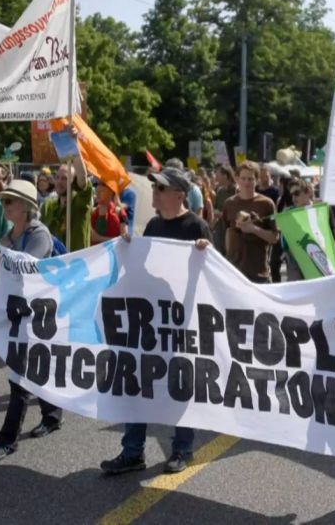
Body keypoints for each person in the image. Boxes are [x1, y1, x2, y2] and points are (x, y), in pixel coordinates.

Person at [101, 167, 212, 476]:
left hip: (181, 321)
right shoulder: (152, 224)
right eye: (156, 188)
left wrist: (207, 253)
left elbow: (211, 278)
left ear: (179, 194)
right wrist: (128, 249)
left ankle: (182, 449)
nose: (155, 193)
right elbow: (145, 268)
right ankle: (132, 452)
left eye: (161, 189)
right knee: (137, 383)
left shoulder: (196, 226)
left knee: (178, 385)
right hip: (150, 320)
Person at [0, 179, 64, 462]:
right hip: (19, 311)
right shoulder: (9, 236)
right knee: (34, 367)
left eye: (9, 201)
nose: (3, 205)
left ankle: (7, 439)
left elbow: (29, 269)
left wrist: (6, 255)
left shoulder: (39, 234)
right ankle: (52, 415)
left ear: (26, 207)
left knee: (19, 375)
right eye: (3, 201)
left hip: (39, 314)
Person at [222, 161, 279, 283]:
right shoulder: (229, 203)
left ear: (257, 180)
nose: (247, 182)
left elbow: (275, 237)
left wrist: (253, 228)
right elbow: (227, 231)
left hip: (258, 271)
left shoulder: (267, 204)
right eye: (243, 178)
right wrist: (228, 256)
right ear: (237, 179)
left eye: (250, 179)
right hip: (234, 270)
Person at [41, 151, 92, 252]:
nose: (59, 182)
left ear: (74, 182)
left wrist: (74, 148)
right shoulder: (48, 206)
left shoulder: (80, 203)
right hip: (54, 264)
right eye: (57, 177)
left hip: (76, 264)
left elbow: (83, 180)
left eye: (65, 178)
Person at [91, 179, 128, 244]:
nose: (97, 194)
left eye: (101, 191)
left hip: (112, 253)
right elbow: (92, 237)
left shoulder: (120, 213)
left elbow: (124, 237)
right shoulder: (93, 212)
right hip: (95, 253)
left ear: (111, 192)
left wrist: (99, 238)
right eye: (97, 191)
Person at [211, 165, 237, 255]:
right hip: (220, 229)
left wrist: (222, 214)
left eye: (218, 175)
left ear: (225, 176)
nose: (216, 178)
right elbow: (217, 208)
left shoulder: (236, 191)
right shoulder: (220, 191)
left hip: (233, 229)